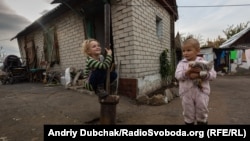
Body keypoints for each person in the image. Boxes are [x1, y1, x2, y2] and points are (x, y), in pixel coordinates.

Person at [175, 38, 217, 125]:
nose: (185, 53)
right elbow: (177, 75)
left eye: (188, 50)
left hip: (202, 93)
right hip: (186, 93)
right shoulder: (181, 63)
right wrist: (188, 72)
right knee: (188, 113)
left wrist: (200, 74)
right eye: (183, 51)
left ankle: (202, 122)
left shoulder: (204, 63)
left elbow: (213, 75)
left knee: (202, 112)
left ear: (197, 51)